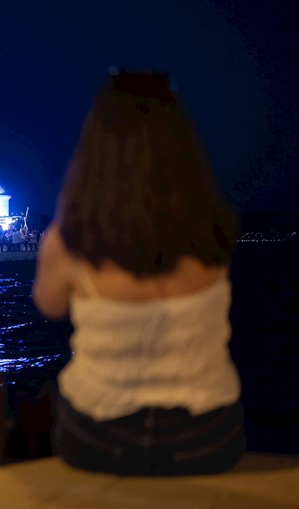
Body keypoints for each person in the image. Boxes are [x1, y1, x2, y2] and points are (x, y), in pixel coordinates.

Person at [32, 71, 244, 475]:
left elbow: (49, 304)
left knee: (44, 396)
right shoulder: (214, 228)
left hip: (101, 439)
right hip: (207, 437)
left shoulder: (71, 237)